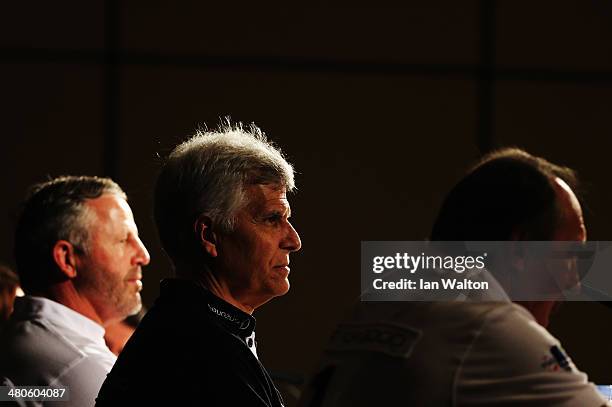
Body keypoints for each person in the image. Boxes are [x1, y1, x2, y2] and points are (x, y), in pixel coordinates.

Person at [299, 148, 609, 406]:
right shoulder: (486, 325)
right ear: (521, 251)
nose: (574, 282)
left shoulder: (384, 299)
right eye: (570, 253)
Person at [96, 122, 302, 406]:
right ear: (209, 235)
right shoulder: (200, 352)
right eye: (271, 218)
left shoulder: (193, 330)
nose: (293, 240)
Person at [0, 176, 150, 407]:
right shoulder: (88, 371)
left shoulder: (20, 340)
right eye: (122, 240)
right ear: (67, 259)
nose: (143, 256)